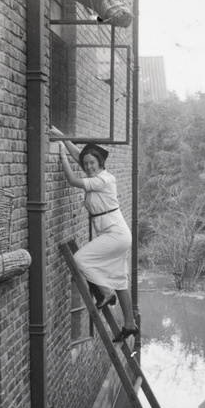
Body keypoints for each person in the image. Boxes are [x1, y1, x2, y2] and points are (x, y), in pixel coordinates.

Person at [51, 126, 138, 343]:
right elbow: (78, 155)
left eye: (93, 163)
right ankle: (129, 325)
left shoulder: (104, 179)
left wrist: (61, 156)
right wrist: (62, 136)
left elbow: (73, 180)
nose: (88, 167)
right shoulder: (95, 174)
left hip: (115, 233)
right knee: (120, 279)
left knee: (80, 260)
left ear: (101, 164)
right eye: (86, 164)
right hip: (115, 233)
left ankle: (106, 292)